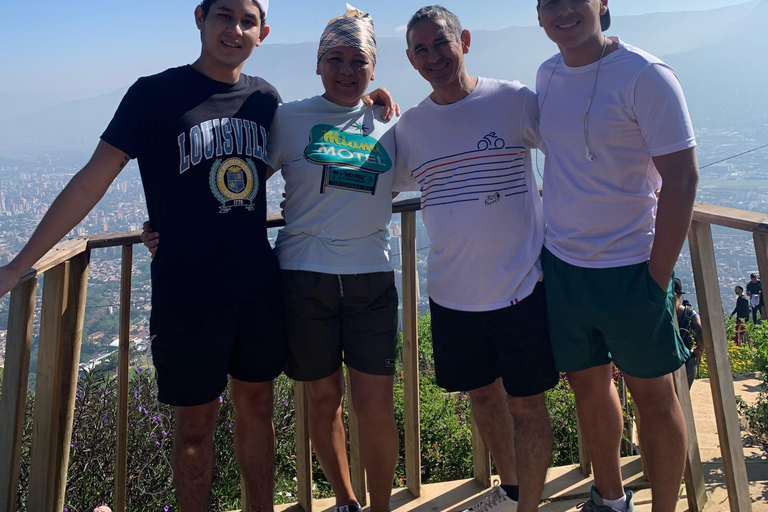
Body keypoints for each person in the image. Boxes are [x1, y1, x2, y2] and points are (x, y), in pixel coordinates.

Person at [0, 2, 284, 510]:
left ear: (263, 32)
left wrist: (370, 101)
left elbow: (266, 166)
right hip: (187, 293)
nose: (235, 29)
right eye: (225, 15)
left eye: (248, 21)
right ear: (200, 17)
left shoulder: (265, 98)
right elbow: (92, 181)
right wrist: (19, 264)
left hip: (257, 287)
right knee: (194, 425)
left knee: (258, 411)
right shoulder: (153, 95)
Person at [535, 1, 700, 511]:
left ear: (602, 4)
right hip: (563, 265)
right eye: (548, 1)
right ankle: (610, 498)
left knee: (655, 400)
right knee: (588, 389)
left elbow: (683, 178)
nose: (562, 10)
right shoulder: (547, 74)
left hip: (633, 267)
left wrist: (656, 278)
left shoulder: (645, 74)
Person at [393, 6, 558, 512]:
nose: (432, 56)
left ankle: (528, 505)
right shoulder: (410, 128)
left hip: (523, 287)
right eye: (420, 49)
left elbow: (573, 145)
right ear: (410, 59)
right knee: (483, 397)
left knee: (528, 405)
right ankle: (509, 492)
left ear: (463, 40)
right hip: (453, 294)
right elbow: (365, 181)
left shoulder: (512, 101)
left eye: (440, 43)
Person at [268, 6, 399, 512]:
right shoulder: (288, 118)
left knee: (374, 406)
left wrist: (380, 103)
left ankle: (381, 506)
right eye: (336, 59)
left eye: (358, 61)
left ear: (374, 68)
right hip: (304, 276)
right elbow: (240, 176)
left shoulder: (389, 121)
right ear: (318, 65)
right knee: (323, 402)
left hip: (370, 276)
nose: (347, 70)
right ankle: (346, 501)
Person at [673, 278, 703, 388]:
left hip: (665, 362)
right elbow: (700, 328)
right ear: (680, 293)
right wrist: (699, 348)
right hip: (687, 358)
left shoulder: (660, 313)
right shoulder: (689, 312)